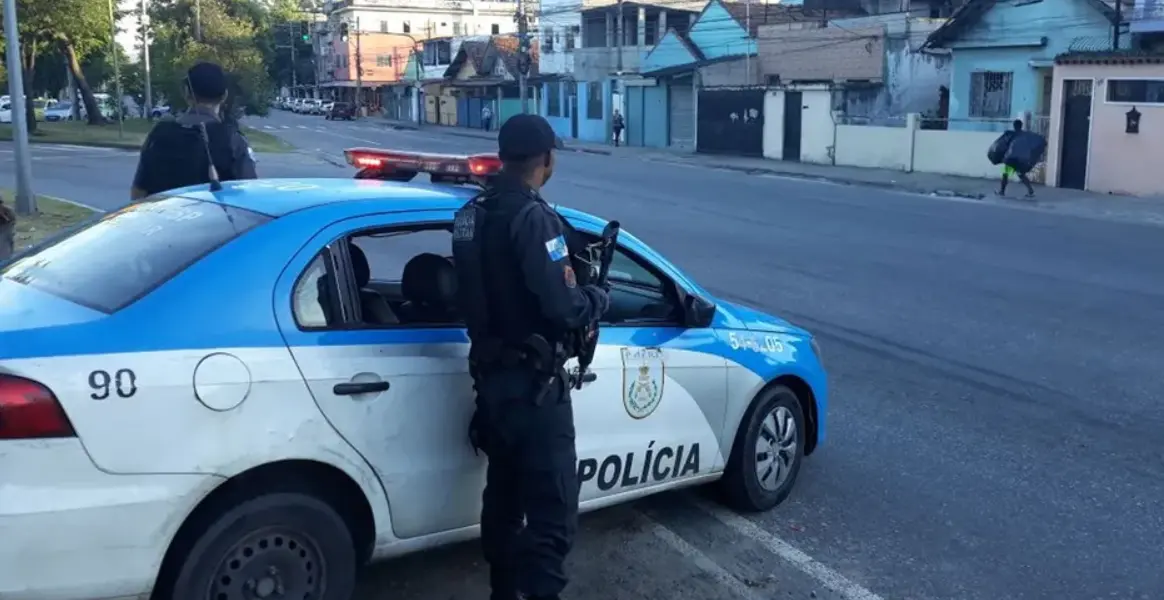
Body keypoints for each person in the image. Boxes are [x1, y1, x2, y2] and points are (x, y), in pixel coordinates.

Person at [451, 113, 610, 600]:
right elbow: (562, 306)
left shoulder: (469, 214)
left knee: (503, 499)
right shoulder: (534, 217)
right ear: (545, 160)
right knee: (551, 514)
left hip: (492, 384)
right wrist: (596, 298)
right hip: (534, 390)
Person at [130, 61, 257, 200]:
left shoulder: (159, 134)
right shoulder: (233, 140)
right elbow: (248, 193)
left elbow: (138, 193)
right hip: (213, 220)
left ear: (186, 93)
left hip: (163, 219)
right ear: (224, 96)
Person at [997, 119, 1035, 199]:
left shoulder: (1012, 134)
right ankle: (1030, 190)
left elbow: (1007, 145)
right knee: (1021, 174)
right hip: (1020, 159)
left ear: (1014, 126)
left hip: (1011, 158)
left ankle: (1002, 191)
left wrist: (1005, 157)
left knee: (1005, 175)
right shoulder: (1024, 135)